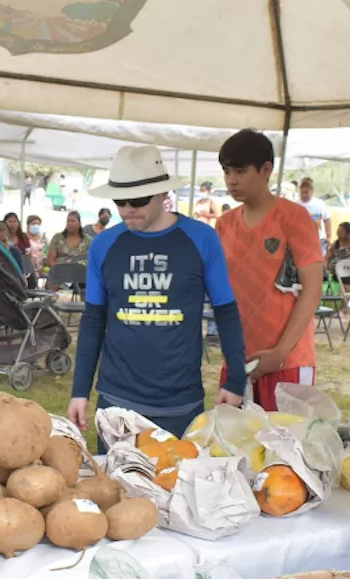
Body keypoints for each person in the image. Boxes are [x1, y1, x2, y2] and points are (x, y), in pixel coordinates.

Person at [67, 145, 247, 441]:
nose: (128, 209)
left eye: (138, 200)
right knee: (113, 473)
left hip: (180, 402)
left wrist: (236, 379)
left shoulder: (201, 238)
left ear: (163, 194)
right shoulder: (103, 244)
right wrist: (80, 391)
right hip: (116, 401)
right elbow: (93, 320)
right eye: (119, 200)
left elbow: (225, 311)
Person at [216, 129, 325, 409]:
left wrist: (280, 352)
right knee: (233, 435)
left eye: (240, 171)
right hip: (238, 362)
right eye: (226, 171)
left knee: (284, 436)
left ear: (266, 170)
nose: (231, 180)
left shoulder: (294, 218)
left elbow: (312, 291)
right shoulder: (224, 224)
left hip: (289, 361)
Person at [298, 177, 332, 255]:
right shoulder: (296, 204)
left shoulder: (319, 204)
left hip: (319, 240)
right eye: (302, 192)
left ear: (312, 191)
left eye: (306, 192)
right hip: (301, 240)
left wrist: (329, 237)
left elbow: (327, 220)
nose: (304, 195)